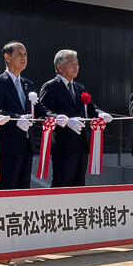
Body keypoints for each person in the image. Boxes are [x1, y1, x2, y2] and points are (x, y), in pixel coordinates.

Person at [39, 49, 112, 188]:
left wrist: (100, 113)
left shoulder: (79, 87)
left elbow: (91, 107)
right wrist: (62, 120)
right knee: (62, 182)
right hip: (63, 144)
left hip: (81, 144)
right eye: (71, 63)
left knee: (79, 184)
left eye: (77, 63)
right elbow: (43, 111)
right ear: (60, 67)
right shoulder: (50, 87)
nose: (76, 67)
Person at [0, 41, 43, 190]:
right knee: (8, 185)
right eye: (19, 54)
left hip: (27, 143)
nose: (24, 58)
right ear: (7, 57)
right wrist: (17, 118)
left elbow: (38, 109)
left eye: (25, 54)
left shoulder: (28, 84)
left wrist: (55, 116)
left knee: (24, 187)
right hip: (9, 143)